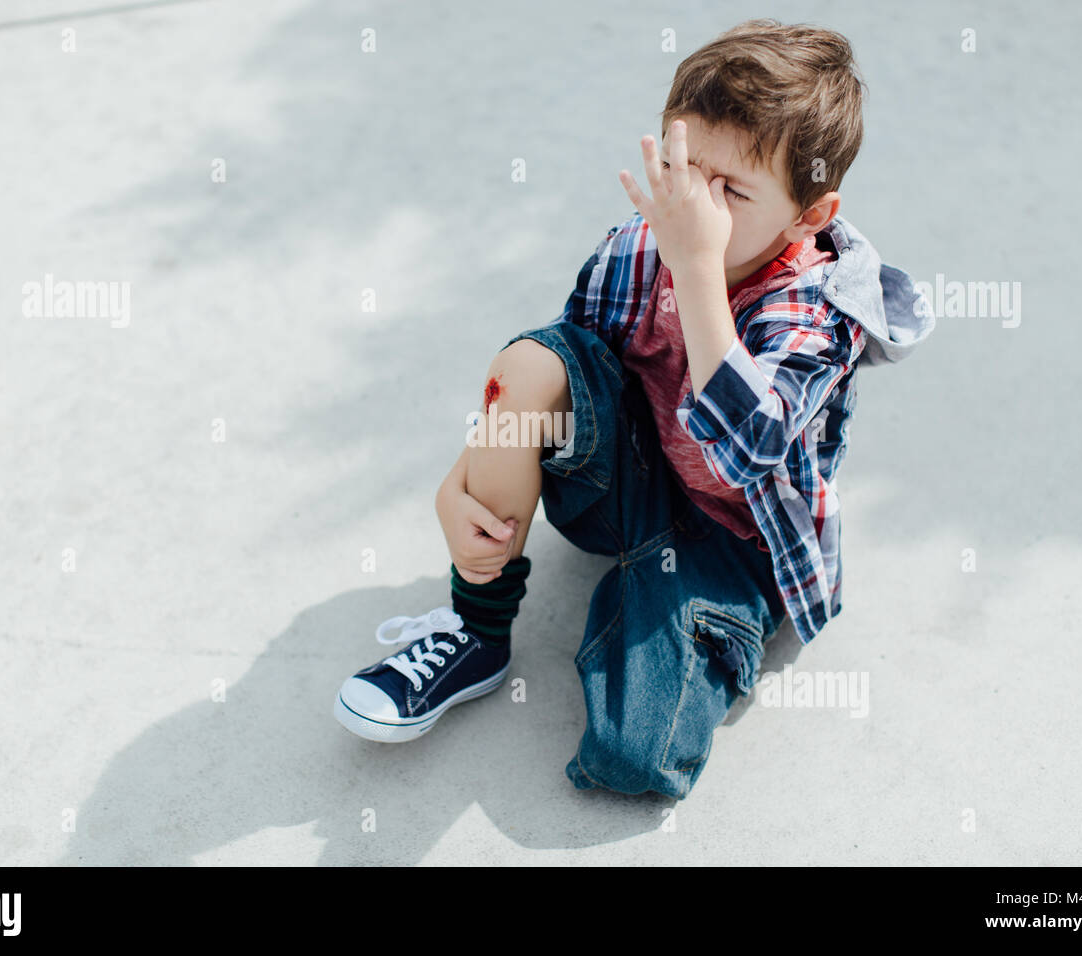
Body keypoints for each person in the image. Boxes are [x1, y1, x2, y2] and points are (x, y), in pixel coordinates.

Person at [333, 18, 935, 799]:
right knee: (528, 362)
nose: (693, 205)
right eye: (686, 169)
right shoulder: (637, 244)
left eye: (731, 191)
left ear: (809, 215)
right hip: (628, 479)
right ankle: (475, 630)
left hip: (731, 540)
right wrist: (460, 481)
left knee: (633, 759)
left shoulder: (815, 315)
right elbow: (558, 365)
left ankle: (669, 613)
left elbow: (746, 451)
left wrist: (695, 269)